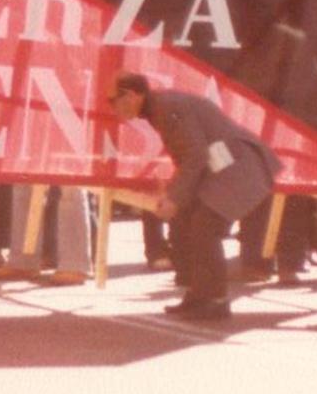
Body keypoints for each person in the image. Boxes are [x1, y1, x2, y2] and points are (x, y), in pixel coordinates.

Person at [103, 73, 279, 321]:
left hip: (239, 167)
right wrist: (177, 196)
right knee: (187, 224)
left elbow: (195, 155)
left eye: (113, 101)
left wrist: (174, 197)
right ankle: (199, 295)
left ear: (131, 96)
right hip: (225, 166)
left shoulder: (165, 108)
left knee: (204, 228)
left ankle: (215, 299)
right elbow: (192, 155)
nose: (112, 108)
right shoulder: (159, 108)